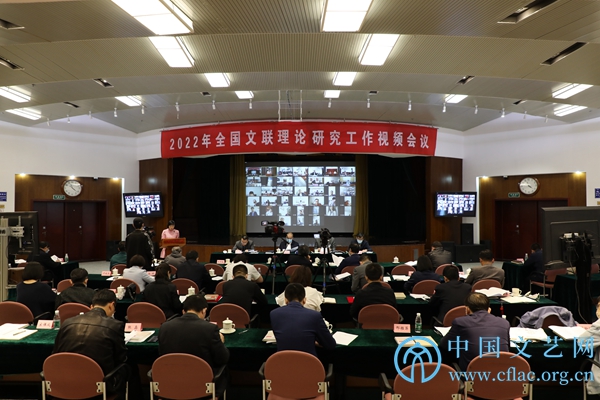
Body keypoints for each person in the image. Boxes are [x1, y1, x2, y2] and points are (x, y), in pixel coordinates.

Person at [53, 289, 129, 399]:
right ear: (111, 305)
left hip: (66, 381)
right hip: (100, 384)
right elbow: (121, 358)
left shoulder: (67, 322)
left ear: (91, 306)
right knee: (129, 368)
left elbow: (55, 353)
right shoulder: (115, 325)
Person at [159, 295, 229, 398]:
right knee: (224, 372)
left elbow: (162, 355)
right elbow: (222, 359)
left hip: (170, 384)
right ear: (204, 311)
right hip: (202, 386)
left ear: (183, 311)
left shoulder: (165, 327)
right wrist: (221, 342)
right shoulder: (210, 329)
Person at [439, 293, 510, 370]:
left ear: (467, 309)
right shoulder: (504, 323)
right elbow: (507, 347)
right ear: (489, 309)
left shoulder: (460, 322)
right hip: (502, 373)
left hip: (473, 373)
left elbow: (444, 345)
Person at [270, 283, 336, 357]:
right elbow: (330, 345)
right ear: (304, 300)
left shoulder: (274, 314)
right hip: (309, 362)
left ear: (285, 300)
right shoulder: (314, 316)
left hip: (283, 362)